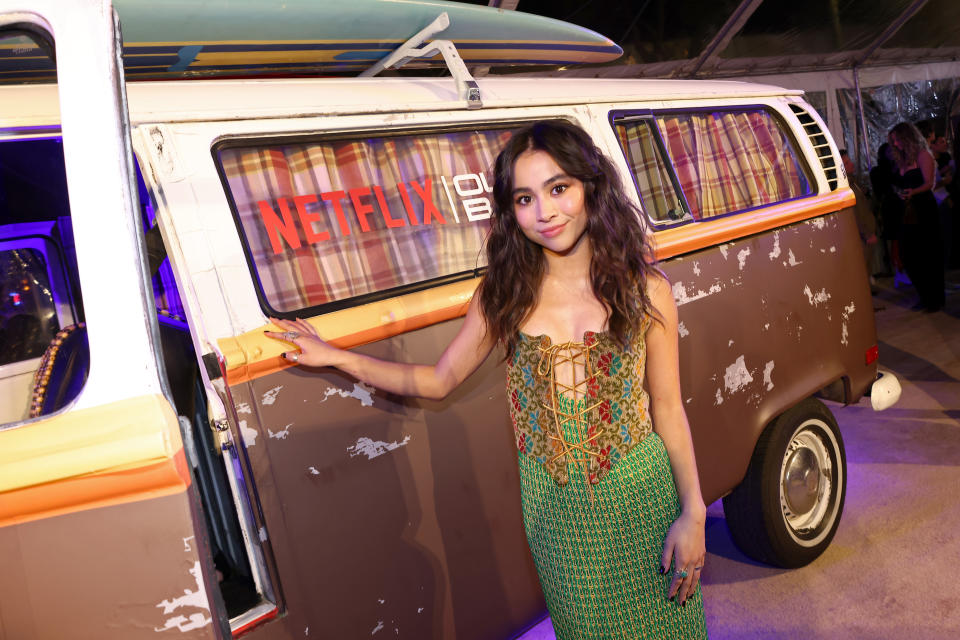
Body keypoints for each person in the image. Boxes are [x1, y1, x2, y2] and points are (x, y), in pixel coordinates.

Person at [266, 121, 708, 638]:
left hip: (643, 498)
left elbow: (668, 408)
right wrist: (338, 357)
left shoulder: (647, 290)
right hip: (557, 515)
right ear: (509, 210)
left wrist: (693, 514)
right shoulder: (504, 294)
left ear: (592, 186)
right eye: (524, 198)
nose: (544, 212)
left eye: (558, 188)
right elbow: (437, 379)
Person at [890, 122, 945, 312]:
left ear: (907, 137)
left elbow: (929, 183)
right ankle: (924, 295)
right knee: (910, 255)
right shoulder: (904, 158)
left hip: (924, 207)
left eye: (898, 139)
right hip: (910, 209)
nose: (896, 144)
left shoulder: (923, 155)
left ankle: (934, 299)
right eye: (894, 141)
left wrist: (913, 191)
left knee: (927, 254)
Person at [839, 149, 878, 282]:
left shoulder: (854, 182)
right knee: (864, 270)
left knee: (868, 267)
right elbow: (856, 214)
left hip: (867, 232)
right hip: (862, 237)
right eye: (847, 163)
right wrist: (867, 234)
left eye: (849, 161)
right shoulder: (847, 187)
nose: (851, 164)